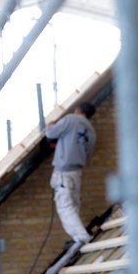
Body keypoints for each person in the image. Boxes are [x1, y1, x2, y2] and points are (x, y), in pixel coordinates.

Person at [46, 102, 97, 246]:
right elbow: (87, 153)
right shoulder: (91, 131)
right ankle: (80, 237)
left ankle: (82, 238)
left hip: (64, 172)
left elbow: (50, 133)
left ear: (77, 110)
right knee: (73, 205)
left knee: (65, 206)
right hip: (77, 171)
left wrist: (50, 125)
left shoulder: (70, 119)